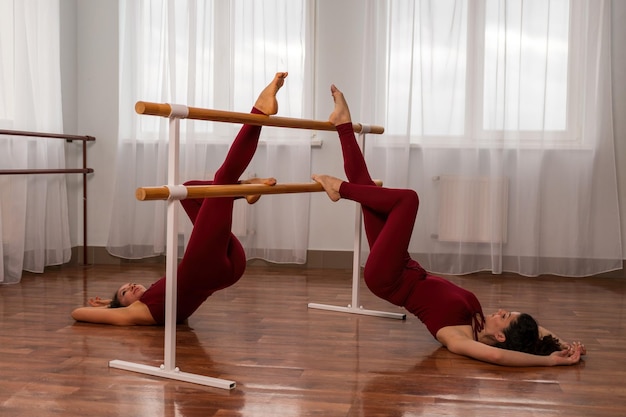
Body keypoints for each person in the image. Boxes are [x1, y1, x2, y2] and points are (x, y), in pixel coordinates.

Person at [312, 84, 585, 366]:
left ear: (502, 337)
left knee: (407, 200)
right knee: (367, 189)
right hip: (403, 265)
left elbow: (496, 355)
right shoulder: (478, 319)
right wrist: (558, 342)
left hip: (387, 278)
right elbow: (531, 330)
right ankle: (342, 124)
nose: (501, 311)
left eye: (505, 317)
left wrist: (553, 362)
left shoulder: (457, 336)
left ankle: (339, 188)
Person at [71, 72, 288, 325]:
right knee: (223, 176)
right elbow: (77, 313)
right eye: (124, 292)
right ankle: (259, 111)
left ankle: (243, 189)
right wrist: (111, 307)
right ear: (124, 305)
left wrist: (114, 300)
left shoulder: (149, 297)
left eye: (128, 285)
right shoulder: (136, 312)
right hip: (207, 267)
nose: (130, 287)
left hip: (223, 266)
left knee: (188, 191)